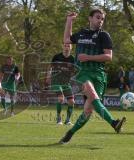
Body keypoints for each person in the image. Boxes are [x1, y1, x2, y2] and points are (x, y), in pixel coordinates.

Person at [60, 9, 126, 144]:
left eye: (102, 19)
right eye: (98, 17)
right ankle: (114, 123)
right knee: (94, 97)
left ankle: (70, 133)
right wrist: (69, 21)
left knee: (88, 110)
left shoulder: (104, 36)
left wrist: (88, 57)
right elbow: (66, 39)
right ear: (90, 18)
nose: (100, 21)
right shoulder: (82, 34)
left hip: (99, 75)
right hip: (82, 73)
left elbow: (109, 56)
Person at [46, 43, 75, 125]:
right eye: (65, 46)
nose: (66, 47)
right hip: (56, 81)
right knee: (61, 98)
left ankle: (68, 120)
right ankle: (59, 119)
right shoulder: (57, 57)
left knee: (71, 101)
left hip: (66, 82)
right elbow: (50, 67)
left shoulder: (73, 59)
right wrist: (48, 76)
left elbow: (74, 70)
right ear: (63, 47)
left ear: (71, 48)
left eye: (68, 46)